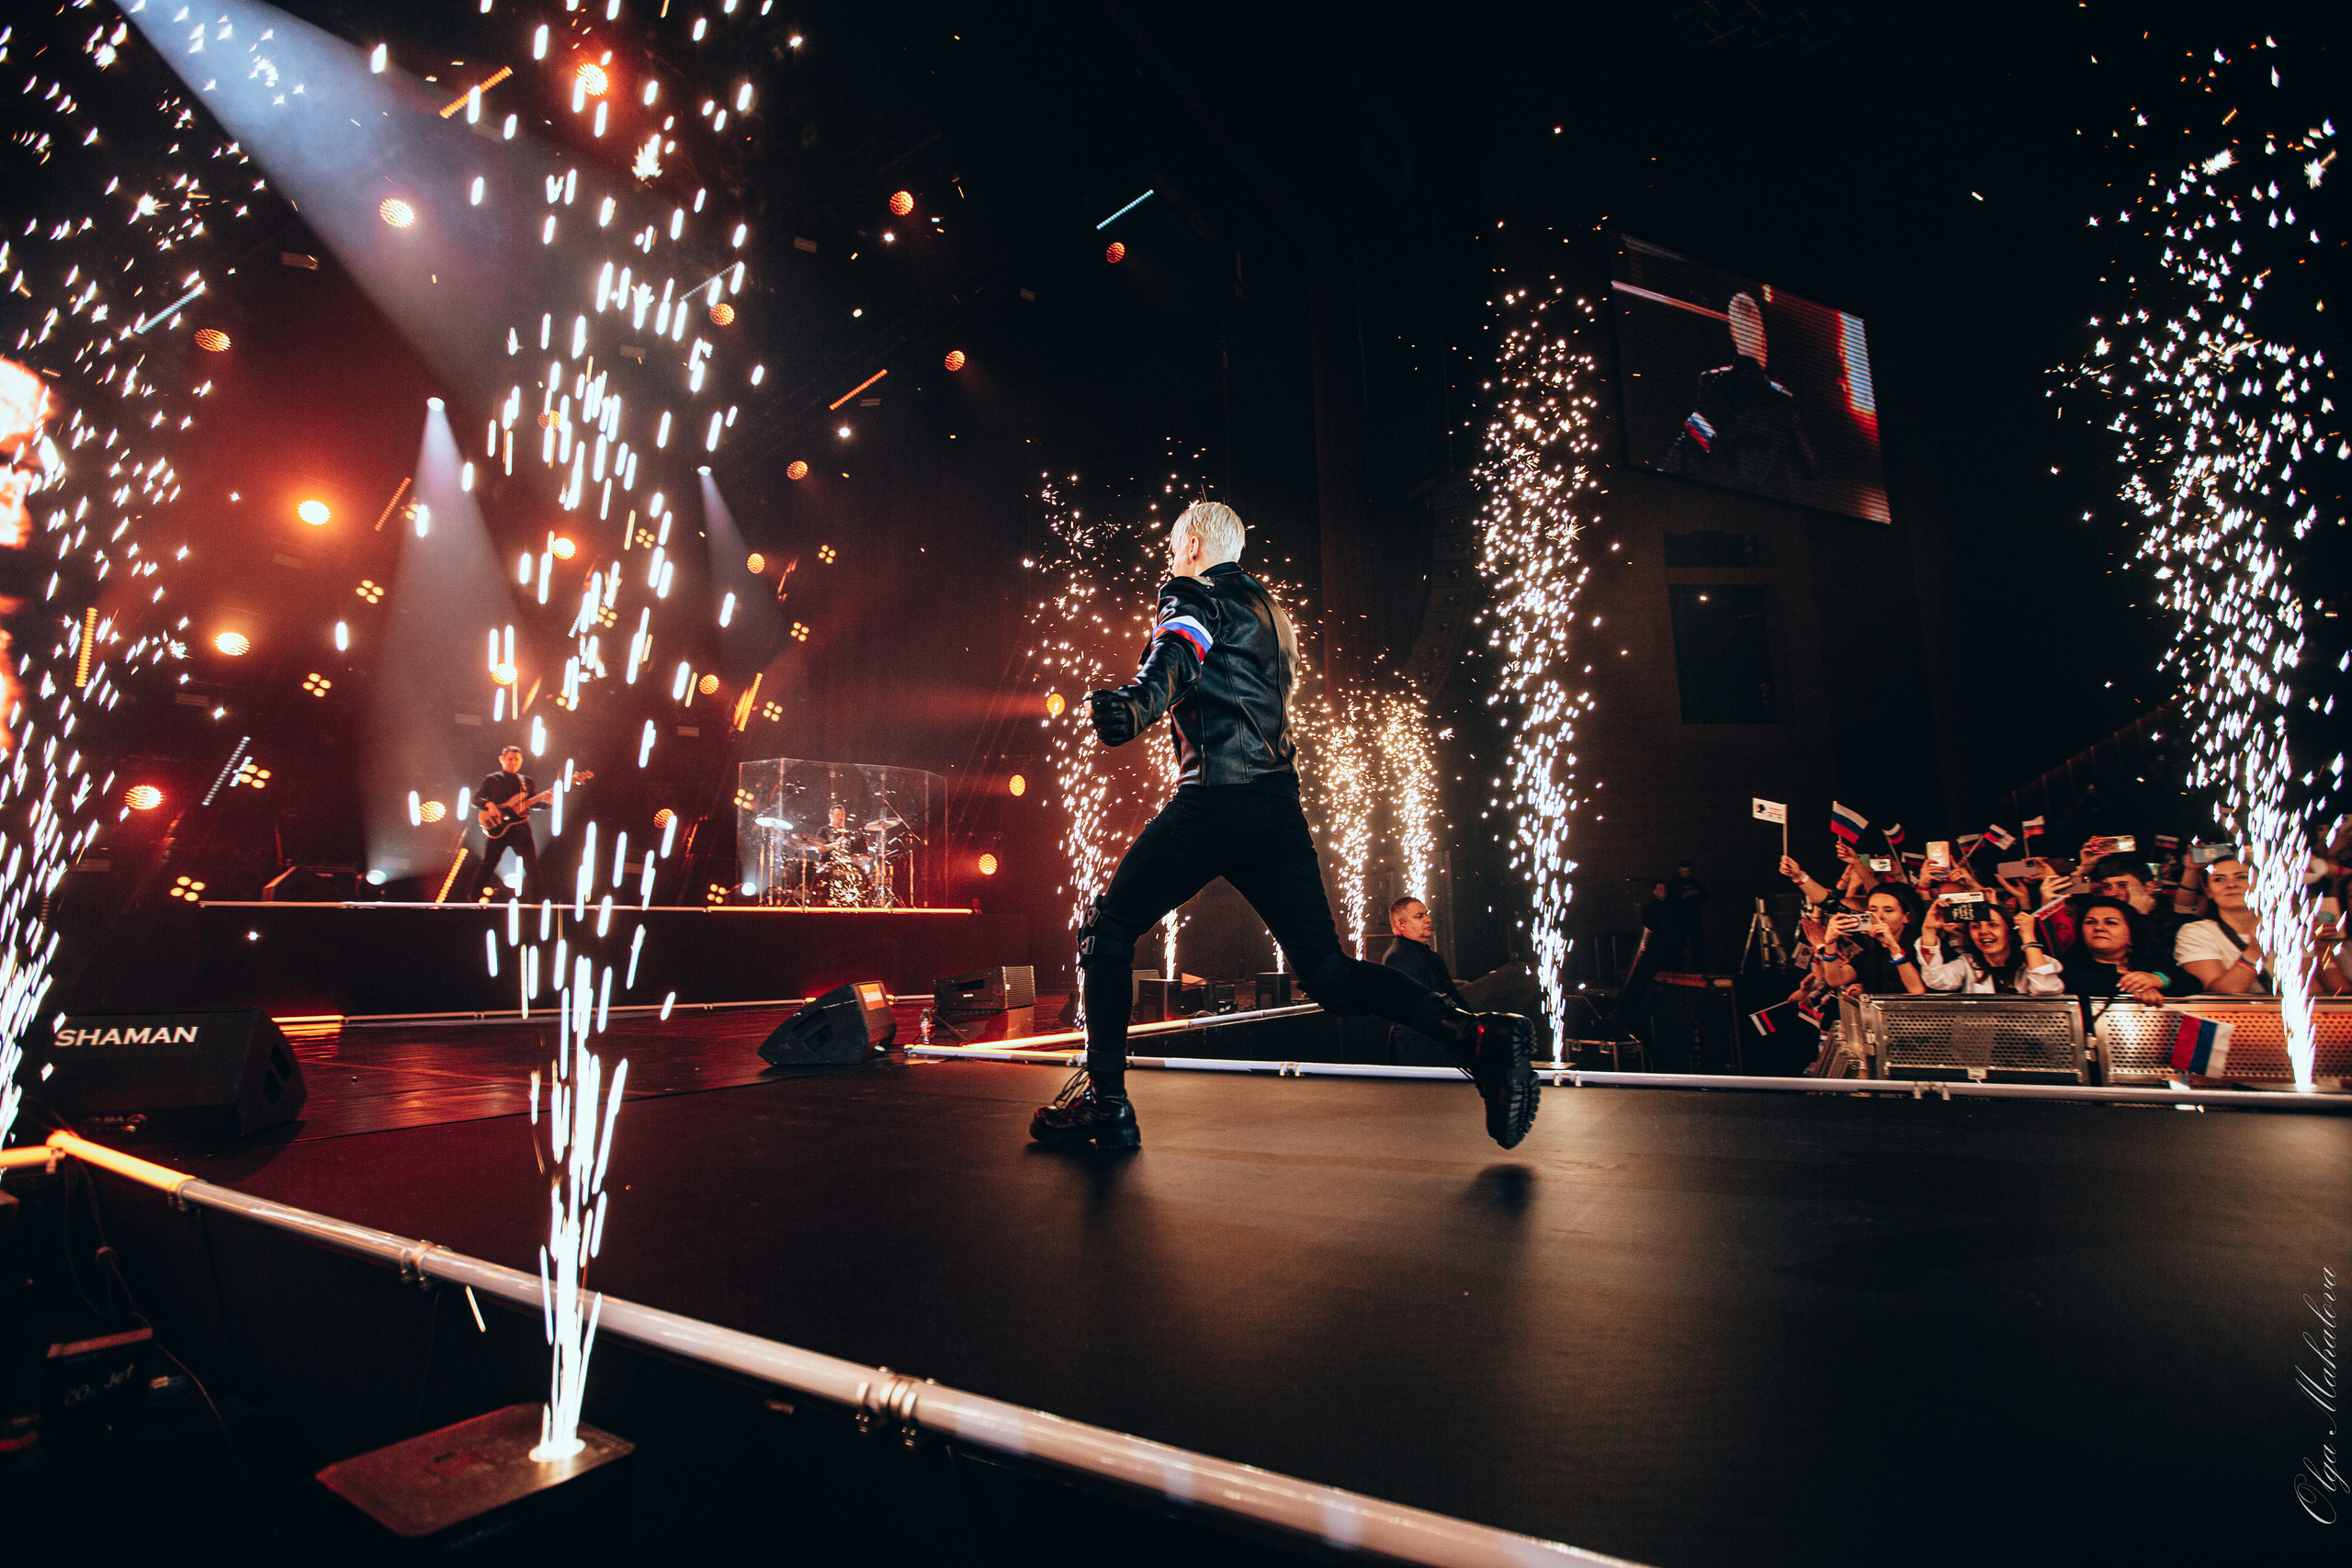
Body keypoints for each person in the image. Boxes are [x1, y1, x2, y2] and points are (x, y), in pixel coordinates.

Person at [1036, 501, 1537, 1152]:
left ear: (1190, 542)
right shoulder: (1274, 615)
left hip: (1213, 803)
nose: (1169, 558)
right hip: (1276, 808)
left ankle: (1107, 1107)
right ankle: (1475, 1034)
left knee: (1106, 932)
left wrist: (1135, 705)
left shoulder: (1193, 593)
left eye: (1172, 546)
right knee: (1328, 972)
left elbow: (1176, 653)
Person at [1664, 291, 1816, 493]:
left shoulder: (1715, 385)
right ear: (1764, 340)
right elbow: (1810, 467)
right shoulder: (1782, 399)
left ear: (1734, 335)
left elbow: (1687, 453)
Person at [1383, 897, 1544, 1066]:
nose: (1428, 919)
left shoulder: (1428, 955)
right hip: (1421, 1049)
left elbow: (1449, 997)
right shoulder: (1399, 957)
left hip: (1438, 1044)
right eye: (1419, 916)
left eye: (1427, 914)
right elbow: (1420, 1005)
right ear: (1401, 924)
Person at [1918, 904, 2064, 995]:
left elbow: (2046, 989)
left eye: (1993, 925)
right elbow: (1935, 980)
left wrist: (2028, 936)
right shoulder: (1967, 963)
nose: (1983, 931)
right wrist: (1929, 930)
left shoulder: (2035, 962)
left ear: (2011, 933)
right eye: (1976, 926)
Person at [2058, 897, 2175, 1004]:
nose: (2099, 928)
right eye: (2090, 922)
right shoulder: (2065, 969)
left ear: (2131, 933)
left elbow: (2188, 981)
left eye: (2110, 922)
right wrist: (2136, 987)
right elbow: (2087, 984)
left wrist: (2160, 979)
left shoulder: (2150, 963)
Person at [1815, 885, 1928, 995]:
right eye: (1873, 910)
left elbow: (1917, 991)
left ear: (1906, 917)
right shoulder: (1873, 951)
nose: (1880, 916)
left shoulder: (1921, 947)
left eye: (1888, 910)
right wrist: (1830, 942)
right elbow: (1836, 980)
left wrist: (1893, 947)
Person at [470, 746, 546, 902]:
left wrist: (548, 803)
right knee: (489, 863)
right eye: (510, 759)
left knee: (532, 866)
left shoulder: (527, 782)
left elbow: (534, 804)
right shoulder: (491, 780)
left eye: (517, 759)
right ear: (502, 759)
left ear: (521, 762)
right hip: (498, 828)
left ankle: (537, 902)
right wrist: (489, 805)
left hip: (520, 829)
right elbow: (475, 800)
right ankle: (474, 899)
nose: (513, 762)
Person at [1663, 860, 1709, 971]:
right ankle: (1680, 970)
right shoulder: (1674, 883)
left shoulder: (1695, 882)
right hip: (1680, 918)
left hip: (1695, 917)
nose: (1686, 874)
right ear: (1679, 870)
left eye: (1688, 871)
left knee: (1698, 945)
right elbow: (1670, 901)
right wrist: (1684, 895)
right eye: (1683, 871)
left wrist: (1697, 893)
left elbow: (1706, 898)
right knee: (1680, 945)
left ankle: (1699, 970)